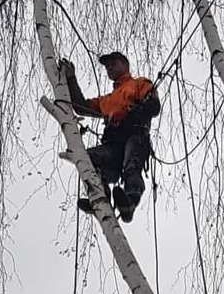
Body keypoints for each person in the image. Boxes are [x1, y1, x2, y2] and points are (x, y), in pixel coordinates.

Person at [62, 52, 160, 222]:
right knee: (88, 158)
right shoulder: (107, 100)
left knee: (132, 165)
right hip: (113, 143)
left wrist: (128, 112)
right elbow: (81, 106)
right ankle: (101, 197)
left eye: (113, 64)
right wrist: (71, 79)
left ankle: (129, 201)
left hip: (135, 135)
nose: (109, 68)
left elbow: (153, 107)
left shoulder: (139, 84)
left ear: (125, 64)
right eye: (107, 66)